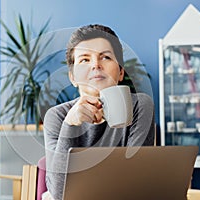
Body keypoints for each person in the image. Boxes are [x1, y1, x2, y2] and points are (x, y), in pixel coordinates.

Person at [43, 24, 155, 200]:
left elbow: (137, 181)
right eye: (85, 60)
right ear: (72, 77)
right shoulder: (57, 116)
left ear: (120, 73)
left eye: (105, 57)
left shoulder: (140, 105)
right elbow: (59, 192)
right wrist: (69, 125)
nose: (96, 65)